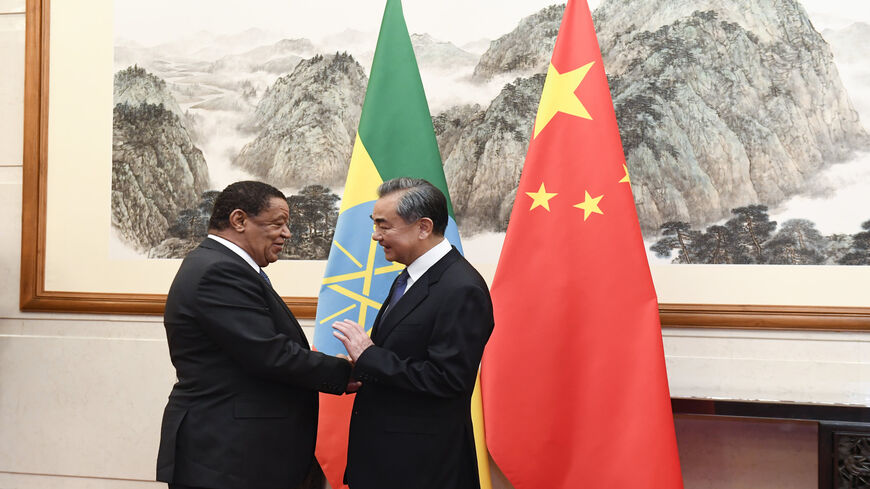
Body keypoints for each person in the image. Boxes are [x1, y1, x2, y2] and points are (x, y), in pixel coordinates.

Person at [156, 181, 354, 489]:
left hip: (239, 454)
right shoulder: (217, 271)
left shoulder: (222, 265)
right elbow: (269, 353)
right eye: (278, 224)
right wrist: (343, 371)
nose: (286, 234)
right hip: (227, 458)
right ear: (239, 220)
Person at [332, 177, 495, 489]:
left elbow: (448, 379)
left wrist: (370, 355)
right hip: (387, 462)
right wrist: (363, 365)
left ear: (423, 227)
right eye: (374, 224)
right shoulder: (410, 277)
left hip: (422, 468)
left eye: (384, 226)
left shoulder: (461, 288)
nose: (375, 235)